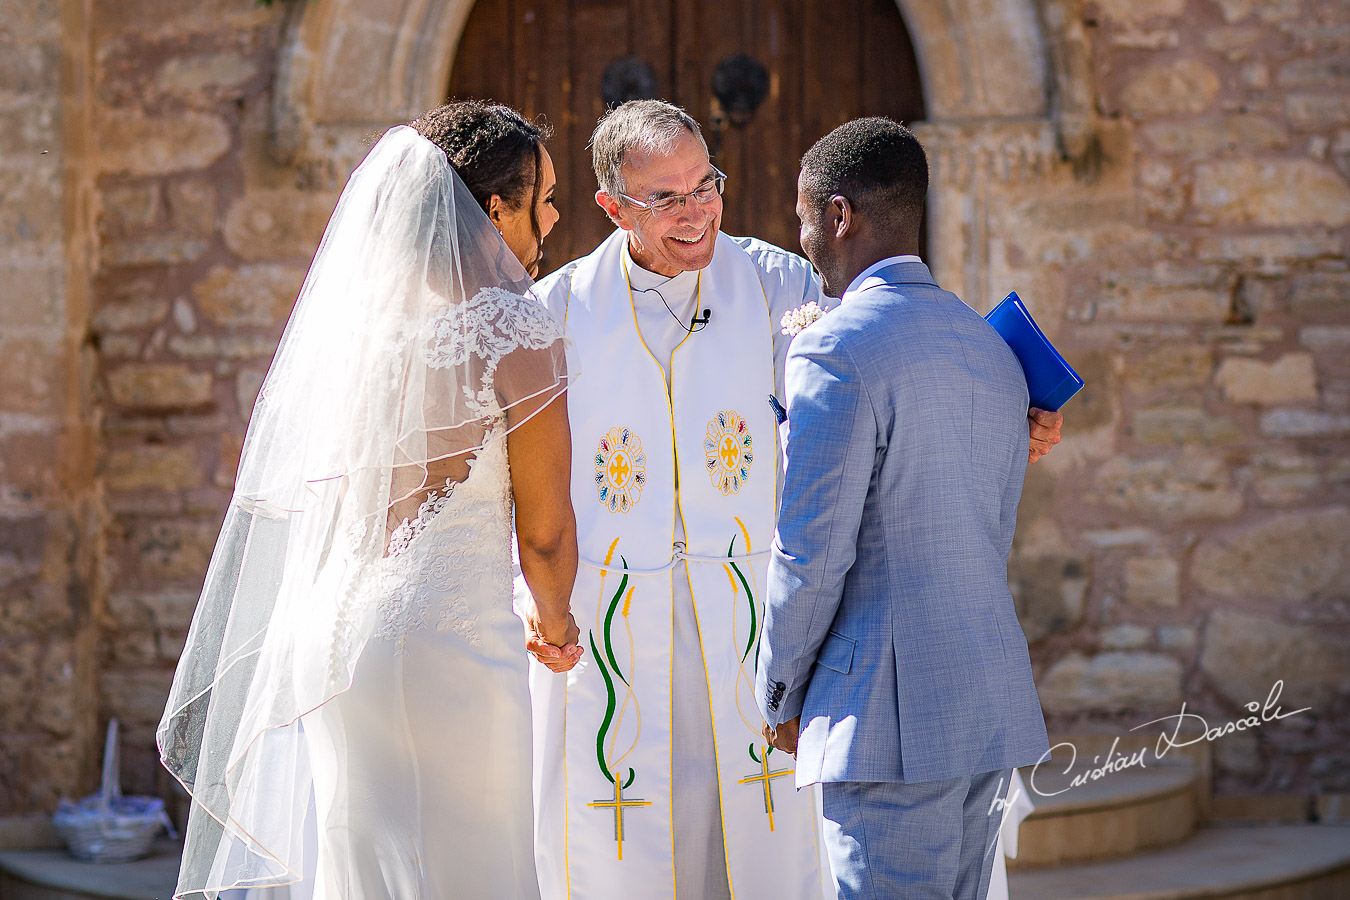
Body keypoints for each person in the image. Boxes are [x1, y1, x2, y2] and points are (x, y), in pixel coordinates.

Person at [522, 100, 1063, 899]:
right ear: (612, 206)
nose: (695, 211)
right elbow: (523, 482)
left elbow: (899, 372)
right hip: (623, 635)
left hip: (757, 626)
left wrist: (1006, 408)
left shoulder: (783, 285)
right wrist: (540, 598)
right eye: (664, 197)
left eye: (705, 184)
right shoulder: (558, 313)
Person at [158, 101, 582, 900]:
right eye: (545, 198)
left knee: (368, 875)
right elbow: (548, 534)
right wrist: (556, 628)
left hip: (333, 640)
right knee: (473, 870)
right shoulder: (517, 331)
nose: (554, 216)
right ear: (495, 210)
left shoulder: (363, 336)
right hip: (444, 642)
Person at [755, 117, 1051, 900]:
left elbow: (811, 551)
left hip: (884, 720)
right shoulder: (990, 348)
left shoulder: (834, 348)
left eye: (803, 214)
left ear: (840, 215)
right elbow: (991, 528)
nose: (801, 235)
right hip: (985, 700)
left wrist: (779, 688)